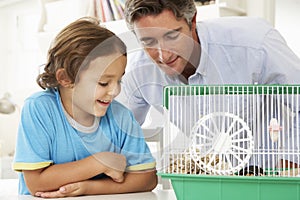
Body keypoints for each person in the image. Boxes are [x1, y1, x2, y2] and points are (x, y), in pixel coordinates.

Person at [122, 1, 300, 170]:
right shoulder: (138, 72)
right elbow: (118, 133)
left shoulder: (255, 44)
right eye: (148, 42)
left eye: (172, 36)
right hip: (207, 179)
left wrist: (289, 164)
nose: (163, 55)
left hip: (269, 175)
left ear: (192, 21)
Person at [13, 17, 157, 198]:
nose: (115, 91)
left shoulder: (121, 116)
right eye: (104, 83)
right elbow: (36, 183)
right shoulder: (39, 109)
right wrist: (100, 162)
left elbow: (147, 179)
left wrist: (89, 188)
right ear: (65, 78)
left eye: (119, 80)